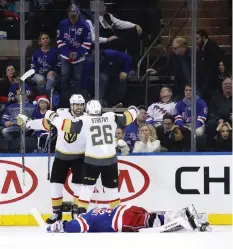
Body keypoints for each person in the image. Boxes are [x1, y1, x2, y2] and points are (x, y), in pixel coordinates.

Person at [44, 101, 139, 214]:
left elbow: (67, 126)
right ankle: (117, 216)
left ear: (88, 111)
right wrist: (133, 107)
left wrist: (52, 117)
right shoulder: (111, 117)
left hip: (92, 161)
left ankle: (80, 216)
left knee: (86, 189)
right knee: (112, 191)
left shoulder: (85, 121)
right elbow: (130, 117)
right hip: (110, 161)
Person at [17, 94, 87, 224]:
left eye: (81, 105)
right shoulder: (61, 114)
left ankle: (76, 214)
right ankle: (56, 213)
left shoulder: (87, 119)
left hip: (80, 157)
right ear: (71, 105)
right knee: (56, 184)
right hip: (61, 156)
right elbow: (46, 124)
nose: (79, 107)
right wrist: (28, 123)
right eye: (76, 104)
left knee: (79, 186)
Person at [46, 203, 211, 233]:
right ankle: (182, 212)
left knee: (150, 221)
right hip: (125, 208)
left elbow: (75, 227)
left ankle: (185, 218)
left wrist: (59, 226)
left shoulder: (85, 220)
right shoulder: (93, 211)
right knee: (150, 214)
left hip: (121, 220)